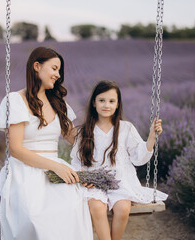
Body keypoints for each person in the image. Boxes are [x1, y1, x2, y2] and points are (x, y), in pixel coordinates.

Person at [0, 47, 93, 240]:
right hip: (24, 170)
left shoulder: (58, 103)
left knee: (73, 206)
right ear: (37, 66)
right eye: (55, 68)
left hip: (55, 169)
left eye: (60, 71)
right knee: (35, 216)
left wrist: (107, 127)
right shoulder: (15, 101)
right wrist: (56, 166)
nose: (58, 75)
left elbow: (76, 138)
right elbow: (15, 149)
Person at [71, 80, 168, 240]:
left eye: (111, 101)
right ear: (94, 103)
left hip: (121, 181)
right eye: (101, 100)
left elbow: (139, 157)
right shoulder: (84, 131)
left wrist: (151, 137)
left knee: (123, 208)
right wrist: (82, 176)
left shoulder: (125, 128)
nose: (106, 105)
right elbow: (76, 160)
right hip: (94, 183)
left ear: (117, 105)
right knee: (96, 207)